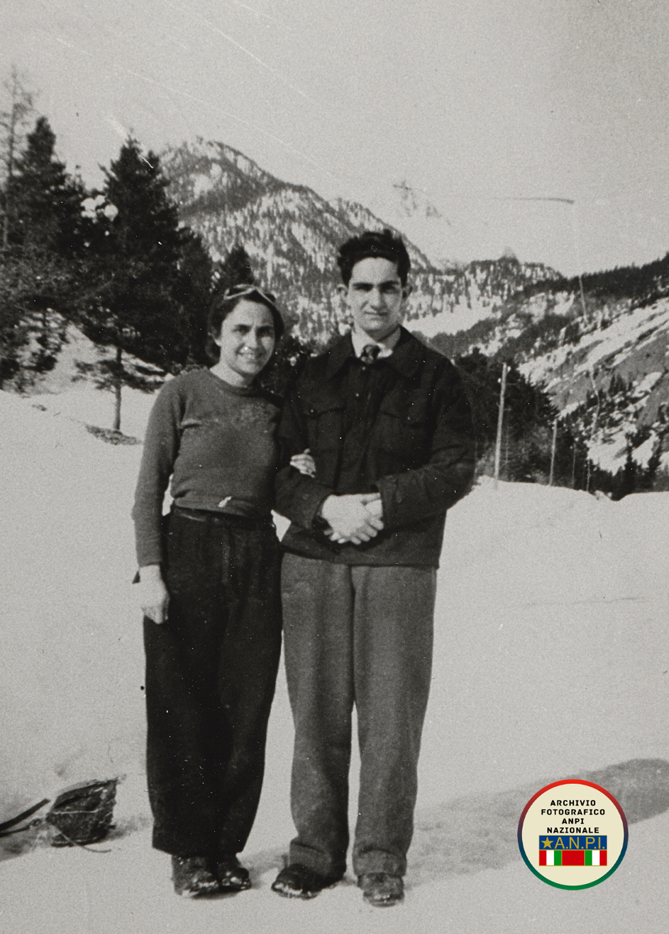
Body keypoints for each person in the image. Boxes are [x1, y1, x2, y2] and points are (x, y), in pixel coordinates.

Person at [272, 230, 475, 907]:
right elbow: (274, 468)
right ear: (344, 294)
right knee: (315, 716)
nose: (375, 300)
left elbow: (454, 468)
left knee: (390, 720)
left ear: (406, 293)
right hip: (313, 561)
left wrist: (379, 505)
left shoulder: (436, 377)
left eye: (389, 287)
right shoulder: (312, 374)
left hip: (399, 565)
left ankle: (381, 858)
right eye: (362, 287)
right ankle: (313, 853)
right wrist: (323, 506)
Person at [133, 283, 296, 898]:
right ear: (217, 335)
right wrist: (152, 571)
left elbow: (284, 482)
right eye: (241, 330)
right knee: (181, 705)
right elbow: (148, 489)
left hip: (256, 554)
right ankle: (187, 848)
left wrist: (298, 469)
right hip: (189, 549)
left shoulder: (277, 409)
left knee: (245, 707)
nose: (254, 342)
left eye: (265, 332)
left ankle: (225, 846)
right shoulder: (182, 392)